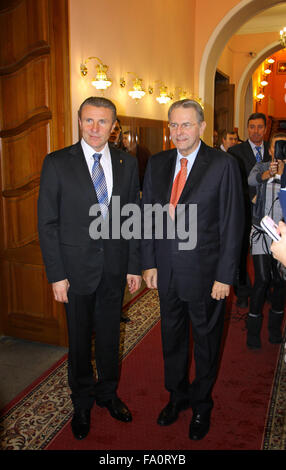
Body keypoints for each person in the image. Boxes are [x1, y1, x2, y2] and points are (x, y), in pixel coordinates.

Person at [38, 96, 141, 440]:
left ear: (114, 126)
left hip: (113, 268)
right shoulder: (56, 163)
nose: (95, 129)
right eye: (89, 121)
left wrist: (134, 266)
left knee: (111, 337)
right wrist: (56, 275)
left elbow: (132, 219)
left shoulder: (127, 163)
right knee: (80, 342)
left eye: (103, 122)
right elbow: (48, 223)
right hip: (74, 271)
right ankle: (81, 402)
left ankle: (108, 394)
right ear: (79, 121)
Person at [141, 99, 244, 440]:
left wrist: (224, 276)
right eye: (174, 125)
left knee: (205, 342)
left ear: (201, 127)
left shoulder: (222, 165)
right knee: (171, 339)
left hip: (205, 275)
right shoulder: (157, 164)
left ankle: (202, 404)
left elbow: (232, 224)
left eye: (186, 125)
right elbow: (148, 219)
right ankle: (177, 396)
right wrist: (149, 262)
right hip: (167, 271)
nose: (179, 132)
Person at [246, 133, 286, 349]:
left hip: (283, 236)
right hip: (261, 231)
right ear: (270, 149)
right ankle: (252, 331)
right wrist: (268, 174)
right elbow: (250, 180)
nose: (278, 149)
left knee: (280, 283)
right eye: (276, 146)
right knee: (261, 279)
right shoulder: (261, 167)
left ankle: (273, 328)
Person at [228, 113, 271, 308]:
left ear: (265, 129)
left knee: (268, 252)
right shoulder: (236, 151)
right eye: (252, 127)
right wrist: (249, 196)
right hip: (243, 210)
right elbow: (232, 182)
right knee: (241, 253)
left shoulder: (273, 151)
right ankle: (243, 290)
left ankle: (265, 287)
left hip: (269, 212)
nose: (256, 131)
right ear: (247, 128)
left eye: (260, 127)